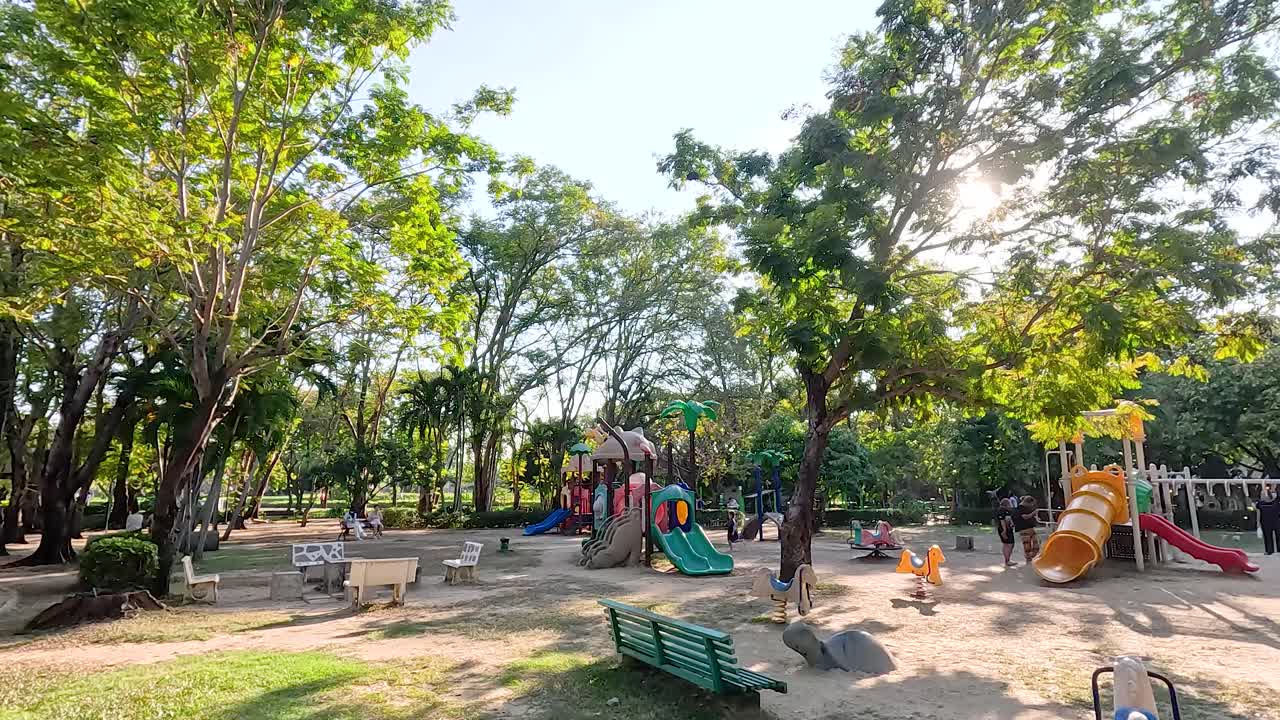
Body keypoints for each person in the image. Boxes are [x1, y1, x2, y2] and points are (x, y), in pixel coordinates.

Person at [1013, 495, 1040, 562]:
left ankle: (1031, 555)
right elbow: (1025, 517)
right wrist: (1033, 513)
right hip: (1024, 528)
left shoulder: (1025, 508)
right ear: (1028, 502)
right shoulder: (1021, 508)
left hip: (1029, 527)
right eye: (1031, 504)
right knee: (1027, 544)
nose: (1032, 505)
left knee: (1036, 542)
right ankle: (1028, 556)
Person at [1257, 487, 1280, 555]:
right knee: (1267, 537)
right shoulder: (1260, 504)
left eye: (1262, 494)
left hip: (1276, 521)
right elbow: (1258, 514)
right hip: (1265, 522)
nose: (1261, 496)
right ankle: (1269, 550)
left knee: (1279, 536)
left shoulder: (1276, 502)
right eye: (1261, 494)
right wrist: (1258, 524)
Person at [995, 497, 1017, 567]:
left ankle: (1007, 559)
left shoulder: (1007, 510)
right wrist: (1004, 530)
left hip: (1008, 529)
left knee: (1007, 544)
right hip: (1005, 529)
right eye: (1010, 503)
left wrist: (1012, 524)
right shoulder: (1002, 510)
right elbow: (1002, 521)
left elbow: (1009, 519)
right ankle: (1007, 560)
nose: (1011, 504)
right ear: (1006, 504)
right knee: (1009, 544)